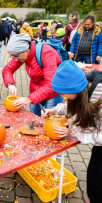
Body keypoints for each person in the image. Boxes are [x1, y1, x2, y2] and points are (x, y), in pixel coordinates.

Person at [41, 60, 102, 203]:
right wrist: (55, 110)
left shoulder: (99, 95)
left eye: (63, 93)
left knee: (100, 183)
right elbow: (73, 102)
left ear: (74, 89)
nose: (62, 95)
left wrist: (74, 132)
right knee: (93, 173)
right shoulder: (82, 86)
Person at [3, 34, 63, 116]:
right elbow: (7, 70)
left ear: (25, 50)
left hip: (52, 94)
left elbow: (51, 84)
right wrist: (10, 84)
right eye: (12, 56)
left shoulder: (46, 53)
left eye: (16, 56)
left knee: (50, 120)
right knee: (33, 119)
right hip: (35, 91)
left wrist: (28, 99)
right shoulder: (20, 54)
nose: (15, 59)